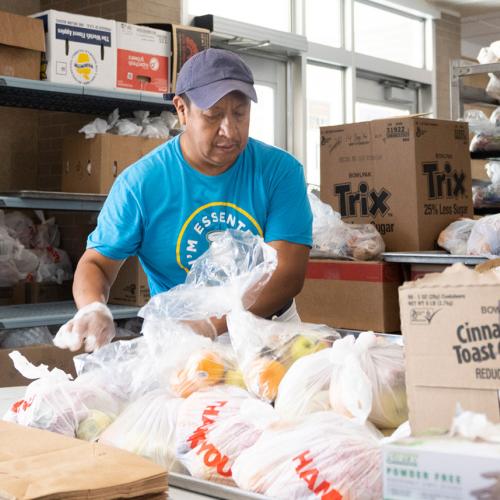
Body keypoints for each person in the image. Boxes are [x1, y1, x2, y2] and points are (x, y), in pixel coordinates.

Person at [54, 48, 312, 353]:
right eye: (213, 115)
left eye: (240, 113)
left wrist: (212, 325)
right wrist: (92, 308)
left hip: (271, 332)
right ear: (181, 109)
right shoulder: (142, 184)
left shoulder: (279, 171)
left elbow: (287, 274)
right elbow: (97, 262)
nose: (229, 130)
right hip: (182, 343)